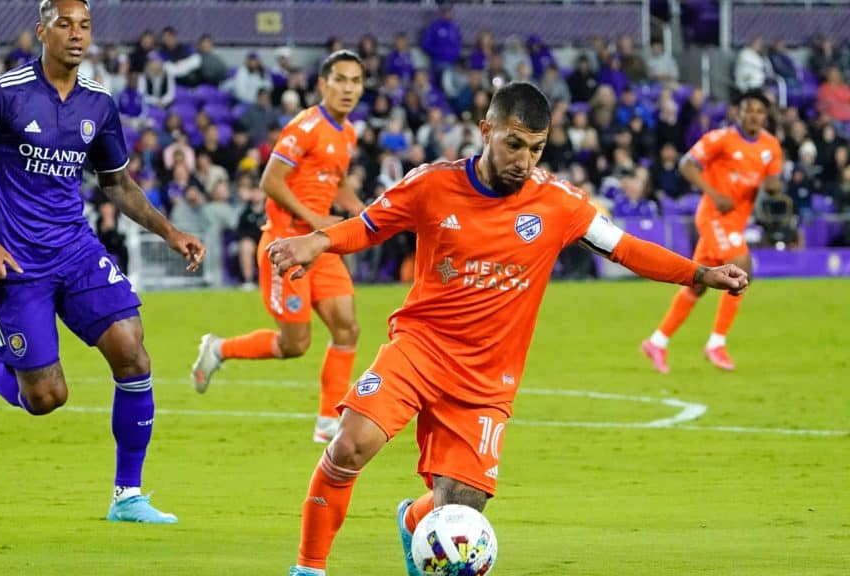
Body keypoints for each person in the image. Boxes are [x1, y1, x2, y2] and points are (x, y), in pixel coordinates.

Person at [265, 82, 749, 576]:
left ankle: (414, 522)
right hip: (420, 348)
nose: (524, 160)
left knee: (458, 516)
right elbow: (369, 225)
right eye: (513, 144)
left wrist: (701, 273)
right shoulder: (432, 184)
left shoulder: (559, 203)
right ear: (486, 131)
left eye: (536, 148)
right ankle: (309, 568)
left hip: (485, 381)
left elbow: (624, 247)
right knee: (349, 443)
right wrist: (317, 241)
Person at [0, 0, 205, 524]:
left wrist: (170, 231)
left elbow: (117, 184)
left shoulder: (99, 104)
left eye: (84, 25)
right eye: (64, 24)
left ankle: (127, 496)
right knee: (44, 396)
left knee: (133, 352)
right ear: (42, 31)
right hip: (17, 264)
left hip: (77, 250)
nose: (77, 34)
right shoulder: (4, 96)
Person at [190, 50, 367, 444]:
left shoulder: (347, 132)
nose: (348, 89)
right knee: (295, 345)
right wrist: (317, 219)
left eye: (356, 81)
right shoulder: (305, 126)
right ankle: (219, 348)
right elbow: (270, 181)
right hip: (287, 247)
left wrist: (361, 209)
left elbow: (334, 179)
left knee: (347, 328)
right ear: (323, 84)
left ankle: (327, 423)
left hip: (319, 247)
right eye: (340, 79)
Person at [641, 89, 783, 373]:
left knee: (698, 284)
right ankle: (716, 343)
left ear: (765, 116)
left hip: (736, 221)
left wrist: (773, 188)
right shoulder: (721, 139)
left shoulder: (771, 146)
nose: (753, 115)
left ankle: (657, 342)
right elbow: (687, 164)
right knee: (743, 267)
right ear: (738, 112)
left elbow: (773, 181)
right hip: (714, 217)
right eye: (748, 109)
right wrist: (714, 194)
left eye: (759, 111)